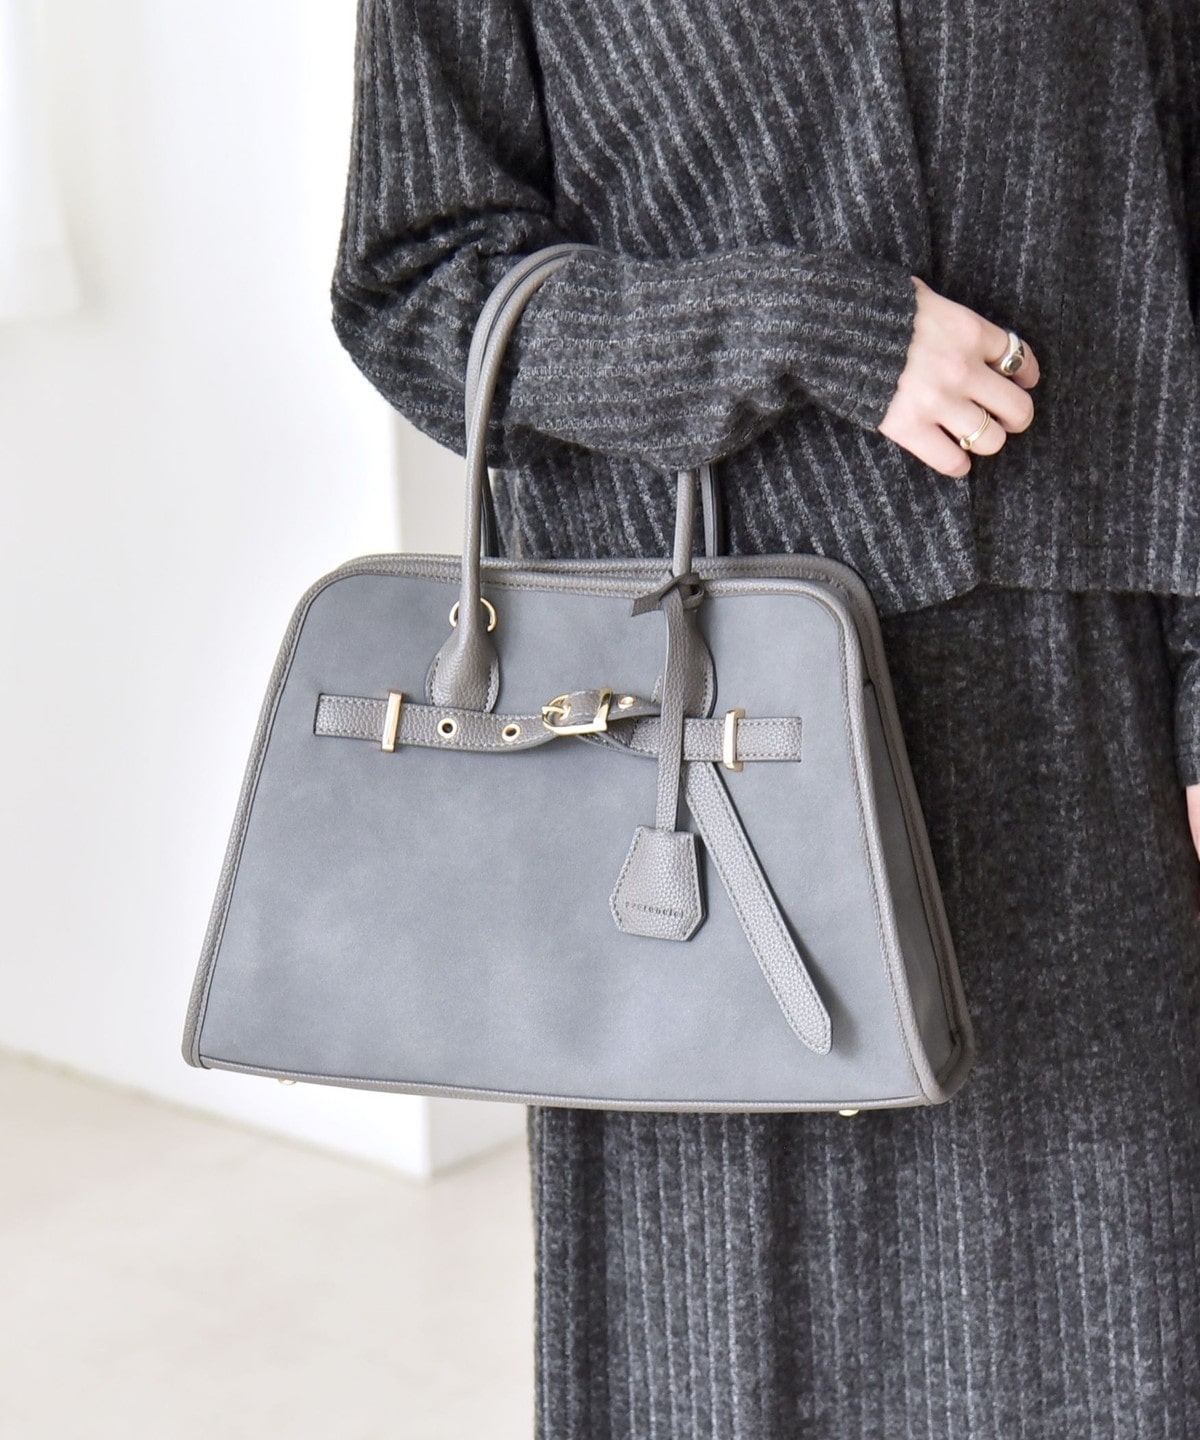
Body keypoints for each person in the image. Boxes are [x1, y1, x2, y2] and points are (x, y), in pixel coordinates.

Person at [329, 2, 1200, 1433]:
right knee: (724, 1350)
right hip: (691, 731)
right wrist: (796, 326)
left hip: (1076, 704)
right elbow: (419, 288)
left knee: (1106, 1329)